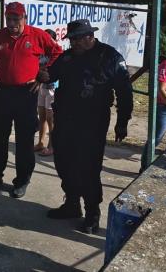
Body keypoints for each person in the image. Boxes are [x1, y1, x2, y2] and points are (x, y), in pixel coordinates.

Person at [38, 19, 133, 234]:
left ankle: (92, 213)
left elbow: (125, 93)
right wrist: (44, 75)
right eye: (71, 39)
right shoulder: (68, 56)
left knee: (88, 168)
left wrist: (122, 122)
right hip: (65, 118)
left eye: (78, 38)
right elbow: (52, 74)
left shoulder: (110, 57)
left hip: (93, 121)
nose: (74, 43)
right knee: (64, 162)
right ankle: (72, 204)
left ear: (90, 36)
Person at [0, 2, 63, 198]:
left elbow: (57, 52)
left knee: (25, 139)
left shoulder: (36, 35)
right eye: (8, 19)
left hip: (27, 92)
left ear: (24, 18)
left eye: (16, 19)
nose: (11, 23)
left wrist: (43, 74)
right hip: (2, 91)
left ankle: (22, 180)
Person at [35, 29, 60, 156]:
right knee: (42, 116)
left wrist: (41, 70)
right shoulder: (40, 52)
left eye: (48, 40)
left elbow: (51, 69)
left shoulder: (55, 53)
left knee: (51, 118)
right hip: (41, 87)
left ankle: (52, 146)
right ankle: (40, 142)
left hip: (52, 88)